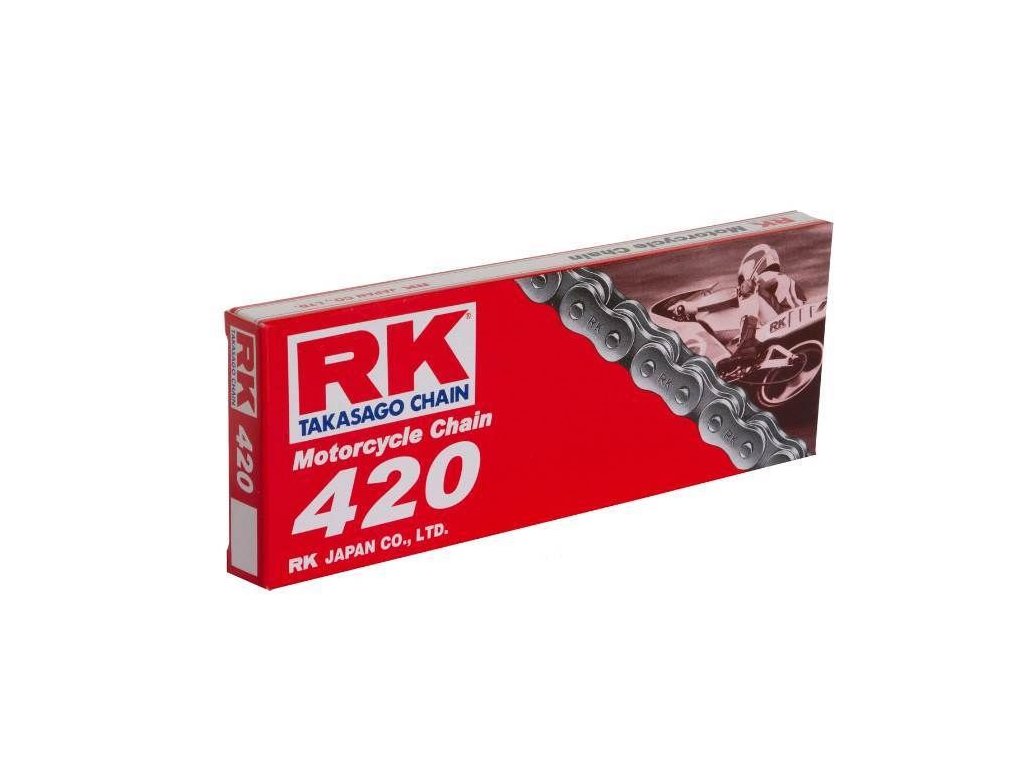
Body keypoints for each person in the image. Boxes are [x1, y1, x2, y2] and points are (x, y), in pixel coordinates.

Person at [716, 244, 806, 375]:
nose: (742, 283)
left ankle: (747, 345)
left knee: (748, 288)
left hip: (788, 319)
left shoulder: (765, 277)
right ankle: (748, 346)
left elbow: (742, 293)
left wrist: (696, 306)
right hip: (794, 318)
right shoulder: (780, 278)